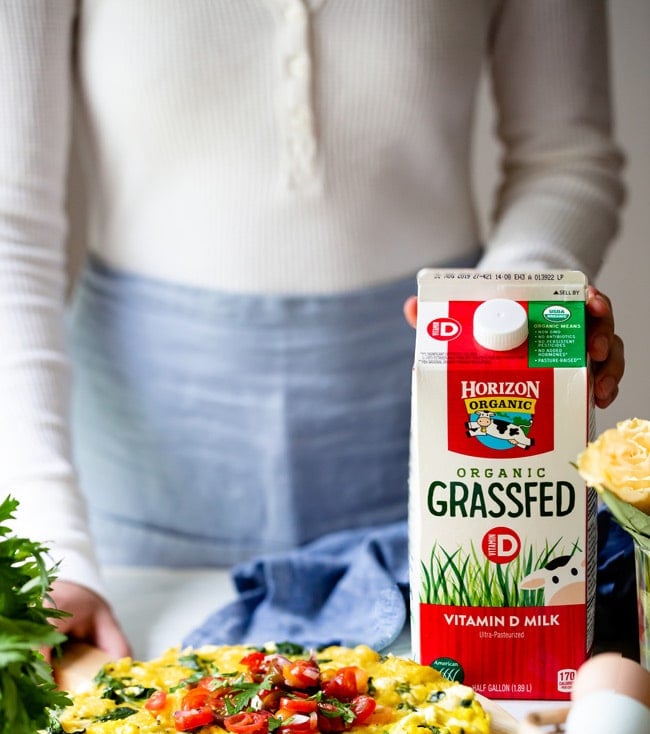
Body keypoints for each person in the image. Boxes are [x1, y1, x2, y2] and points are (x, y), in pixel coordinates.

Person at [0, 1, 625, 663]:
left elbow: (567, 156)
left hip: (446, 454)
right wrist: (53, 541)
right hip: (138, 484)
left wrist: (507, 311)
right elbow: (11, 225)